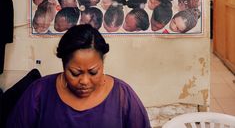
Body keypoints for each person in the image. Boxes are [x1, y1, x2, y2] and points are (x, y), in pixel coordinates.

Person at [7, 24, 151, 127]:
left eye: (93, 72)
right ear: (63, 65)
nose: (84, 81)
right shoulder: (39, 92)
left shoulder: (123, 96)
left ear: (103, 63)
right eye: (75, 73)